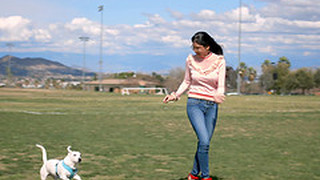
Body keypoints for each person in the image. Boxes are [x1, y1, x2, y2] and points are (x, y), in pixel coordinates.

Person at [163, 31, 226, 180]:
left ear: (207, 47)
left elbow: (221, 84)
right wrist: (175, 95)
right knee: (204, 141)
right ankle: (205, 176)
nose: (195, 50)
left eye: (198, 48)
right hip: (194, 104)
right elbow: (187, 81)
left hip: (212, 106)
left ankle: (193, 174)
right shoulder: (190, 60)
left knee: (204, 143)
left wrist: (219, 94)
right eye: (193, 47)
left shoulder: (219, 61)